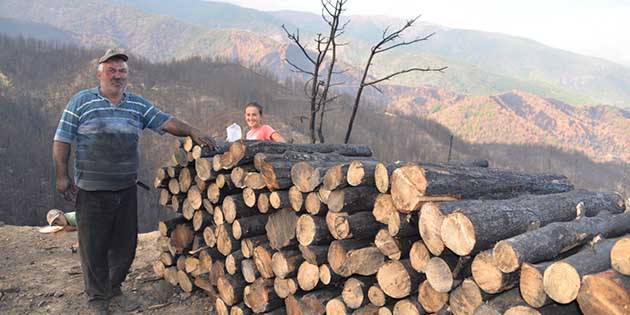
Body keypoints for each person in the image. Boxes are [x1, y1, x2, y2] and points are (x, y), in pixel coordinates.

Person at [52, 48, 216, 314]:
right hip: (92, 189)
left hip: (126, 188)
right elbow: (62, 139)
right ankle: (97, 299)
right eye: (111, 70)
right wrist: (61, 175)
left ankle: (114, 291)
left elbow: (165, 121)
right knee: (94, 247)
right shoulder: (81, 102)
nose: (117, 76)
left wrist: (193, 131)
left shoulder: (136, 104)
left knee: (125, 246)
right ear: (100, 73)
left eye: (121, 71)